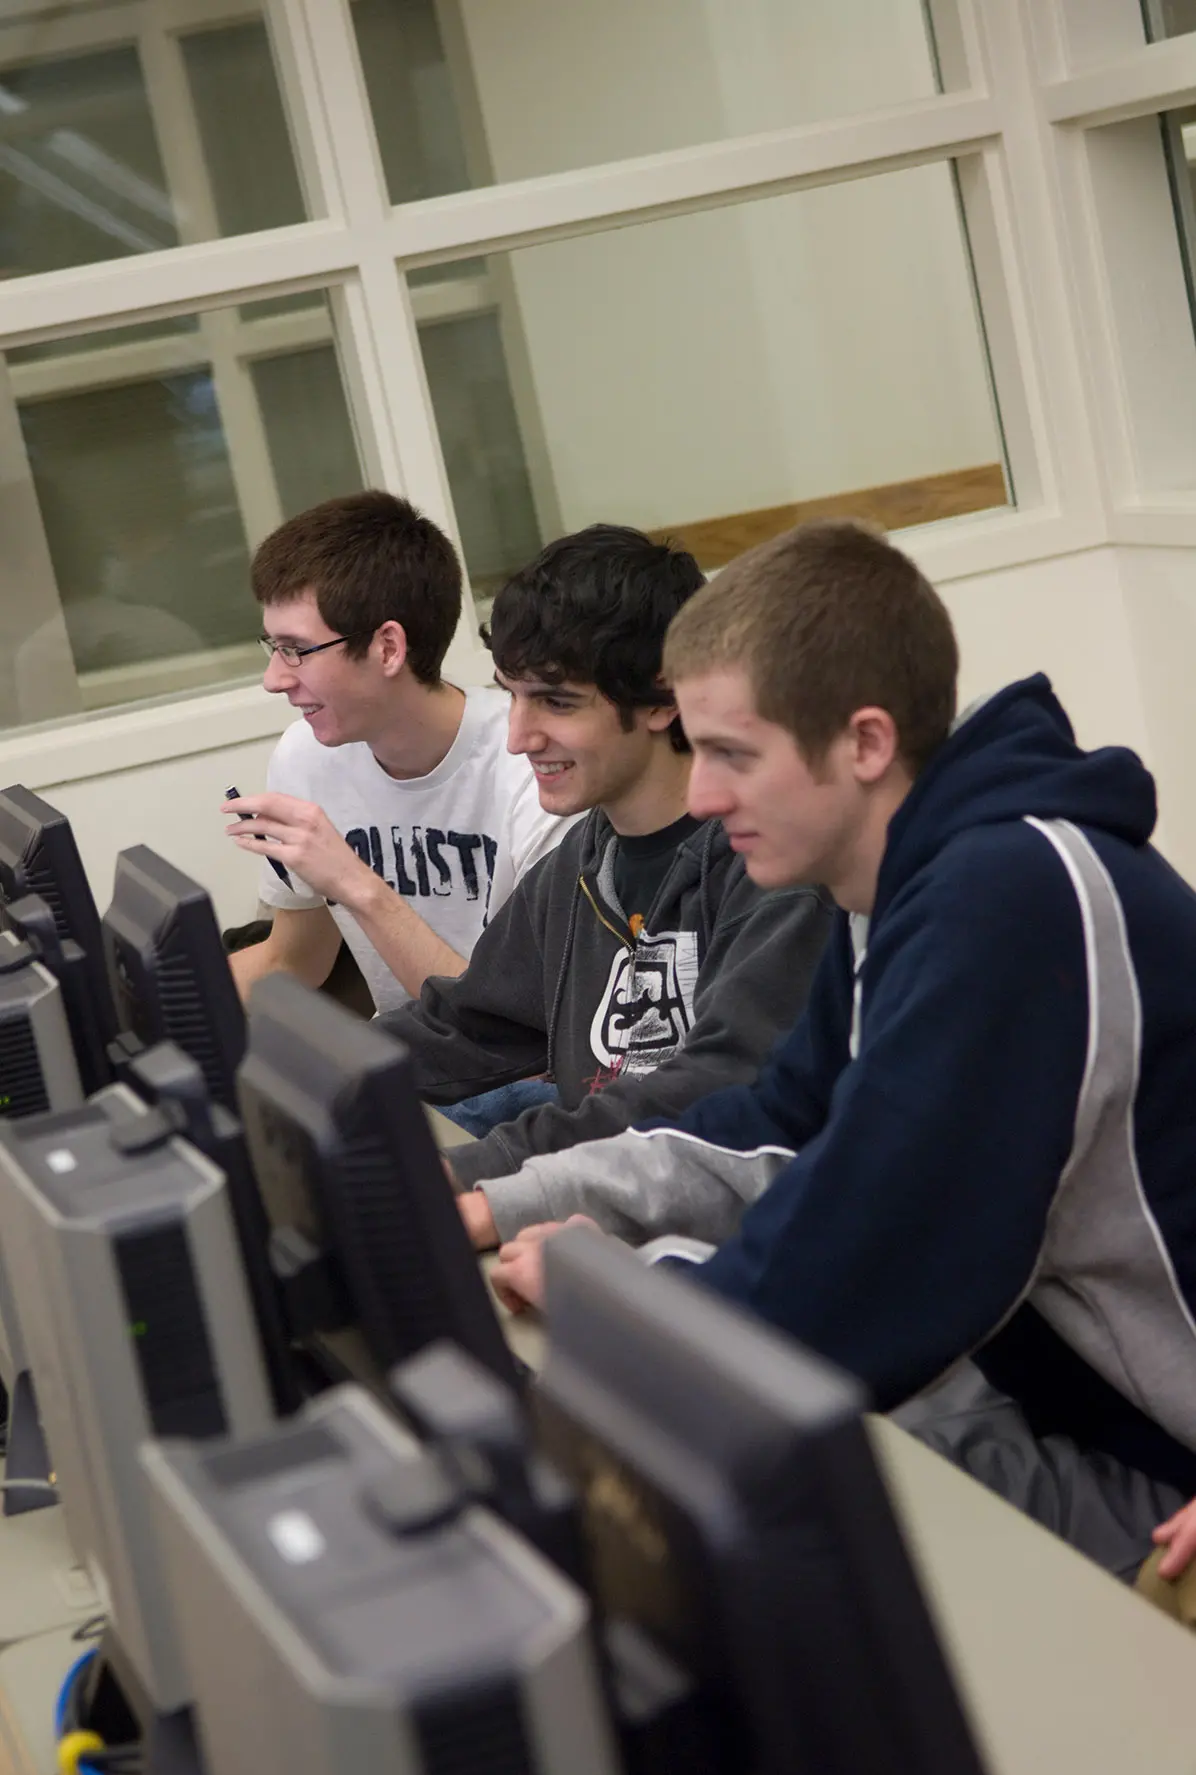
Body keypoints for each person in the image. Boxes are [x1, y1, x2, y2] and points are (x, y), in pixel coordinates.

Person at [489, 518, 1196, 1581]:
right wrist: (504, 1201)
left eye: (731, 755)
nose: (700, 795)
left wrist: (623, 1301)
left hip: (1157, 1462)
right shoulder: (895, 891)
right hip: (1081, 1403)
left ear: (862, 743)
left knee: (792, 1488)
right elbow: (782, 1130)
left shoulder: (1007, 899)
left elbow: (875, 1254)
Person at [379, 523, 832, 1209]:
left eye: (556, 701)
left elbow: (710, 1099)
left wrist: (481, 1169)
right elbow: (462, 1028)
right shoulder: (582, 863)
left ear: (664, 698)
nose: (517, 736)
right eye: (513, 694)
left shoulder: (775, 867)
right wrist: (305, 1070)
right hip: (601, 1221)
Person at [224, 492, 568, 1014]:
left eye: (295, 650)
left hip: (511, 1081)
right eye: (273, 648)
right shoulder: (304, 755)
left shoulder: (533, 767)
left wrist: (354, 883)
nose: (274, 680)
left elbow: (515, 1027)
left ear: (388, 648)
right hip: (408, 1070)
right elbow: (294, 960)